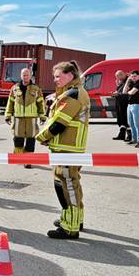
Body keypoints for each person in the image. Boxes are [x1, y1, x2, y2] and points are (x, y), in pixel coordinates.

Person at [36, 61, 89, 239]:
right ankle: (74, 219)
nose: (55, 79)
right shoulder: (72, 92)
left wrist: (42, 137)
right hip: (67, 147)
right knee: (71, 184)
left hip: (68, 148)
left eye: (58, 76)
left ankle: (70, 227)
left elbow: (59, 123)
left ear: (70, 75)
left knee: (66, 187)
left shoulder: (73, 94)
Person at [4, 68, 46, 168]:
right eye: (23, 75)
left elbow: (41, 103)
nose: (25, 77)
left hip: (32, 119)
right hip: (18, 119)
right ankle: (20, 157)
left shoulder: (36, 89)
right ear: (21, 76)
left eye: (27, 75)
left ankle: (28, 161)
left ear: (30, 75)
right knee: (18, 139)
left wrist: (42, 116)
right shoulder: (15, 88)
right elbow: (10, 102)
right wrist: (8, 115)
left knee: (31, 140)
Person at [126, 70, 139, 148]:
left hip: (137, 105)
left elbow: (132, 92)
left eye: (135, 76)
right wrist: (128, 80)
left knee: (137, 124)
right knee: (130, 123)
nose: (133, 77)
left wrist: (128, 92)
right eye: (132, 76)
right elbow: (124, 90)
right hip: (130, 105)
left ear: (138, 76)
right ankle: (134, 139)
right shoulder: (131, 83)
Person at [112, 70, 131, 141]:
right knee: (120, 120)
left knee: (126, 120)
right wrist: (115, 93)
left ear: (122, 74)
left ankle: (130, 135)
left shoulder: (129, 80)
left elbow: (126, 92)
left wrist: (118, 94)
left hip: (126, 103)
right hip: (120, 103)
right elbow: (119, 90)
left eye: (118, 76)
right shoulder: (121, 82)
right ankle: (121, 135)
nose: (117, 78)